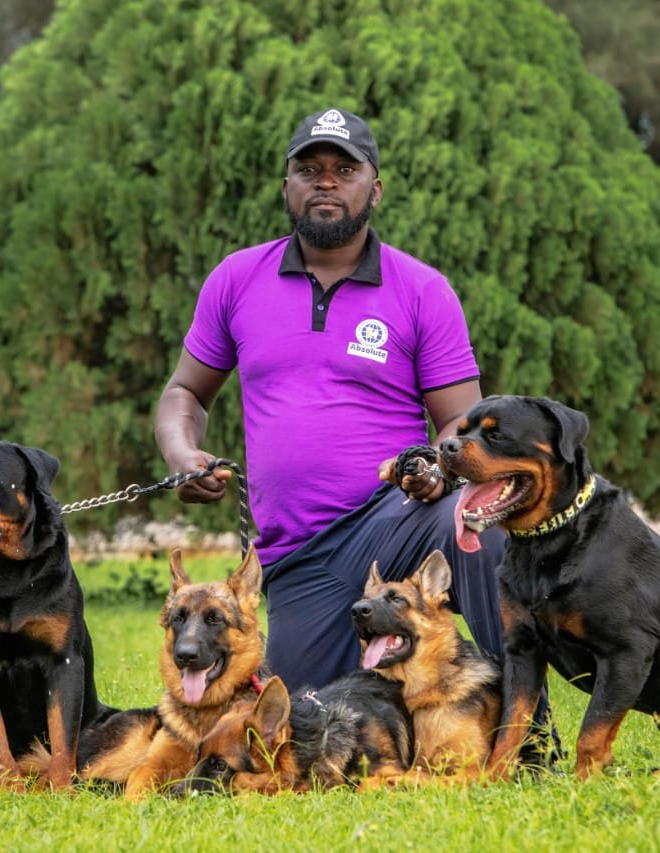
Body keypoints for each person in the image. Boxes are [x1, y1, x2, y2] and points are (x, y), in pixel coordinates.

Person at [154, 107, 508, 690]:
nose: (326, 181)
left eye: (345, 169)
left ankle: (525, 732)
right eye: (309, 168)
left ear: (376, 188)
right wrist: (181, 455)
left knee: (474, 525)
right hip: (299, 554)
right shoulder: (237, 278)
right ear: (286, 186)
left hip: (394, 519)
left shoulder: (422, 289)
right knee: (300, 719)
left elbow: (462, 428)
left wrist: (435, 472)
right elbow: (185, 392)